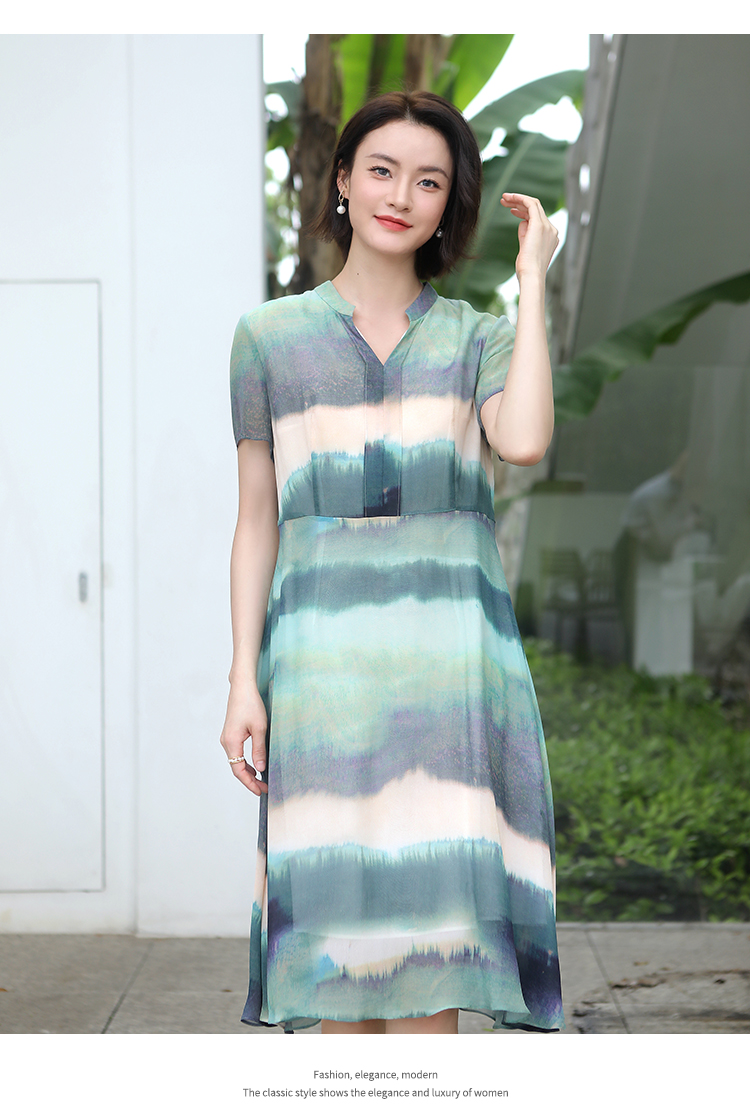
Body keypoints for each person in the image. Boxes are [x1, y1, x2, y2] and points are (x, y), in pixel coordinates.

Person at [220, 90, 564, 1035]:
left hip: (449, 686)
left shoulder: (478, 338)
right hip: (321, 685)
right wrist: (244, 679)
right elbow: (256, 520)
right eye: (381, 170)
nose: (401, 195)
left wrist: (533, 283)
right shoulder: (268, 338)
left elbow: (524, 438)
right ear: (342, 180)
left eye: (429, 181)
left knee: (430, 971)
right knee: (333, 975)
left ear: (450, 204)